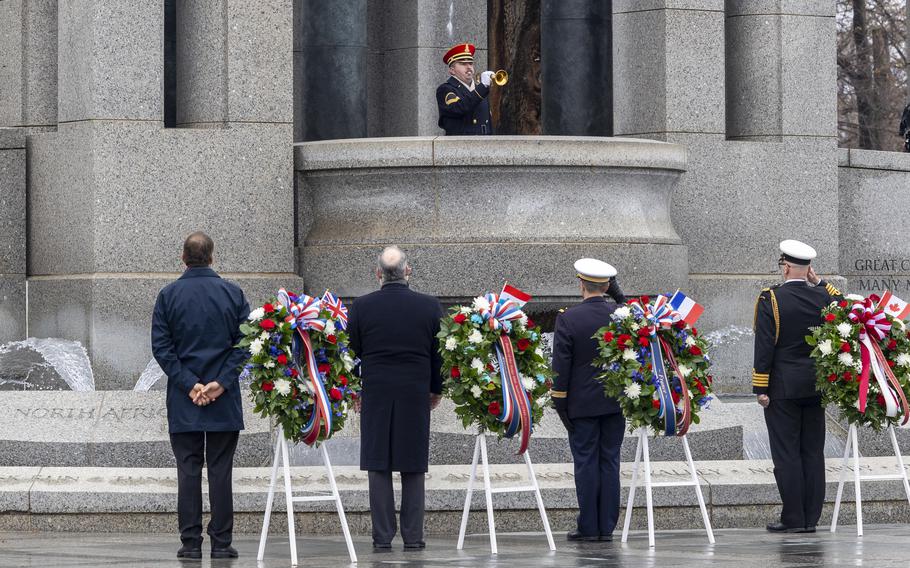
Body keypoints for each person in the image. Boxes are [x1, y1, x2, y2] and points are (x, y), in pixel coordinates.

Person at [151, 231, 249, 560]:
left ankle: (190, 542)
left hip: (184, 398)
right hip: (223, 397)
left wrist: (189, 383)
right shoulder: (233, 293)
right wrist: (220, 383)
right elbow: (245, 344)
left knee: (188, 470)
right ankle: (222, 542)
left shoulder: (168, 296)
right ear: (212, 257)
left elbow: (162, 348)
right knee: (221, 470)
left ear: (183, 257)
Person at [347, 246, 444, 552]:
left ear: (378, 274)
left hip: (376, 391)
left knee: (379, 464)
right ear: (408, 271)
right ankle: (413, 537)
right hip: (415, 392)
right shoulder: (429, 307)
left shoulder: (361, 307)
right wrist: (436, 389)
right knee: (413, 465)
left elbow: (354, 351)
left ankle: (382, 536)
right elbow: (437, 354)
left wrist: (355, 389)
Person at [753, 239, 842, 533]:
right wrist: (822, 284)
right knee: (813, 453)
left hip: (782, 388)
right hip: (816, 386)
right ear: (808, 269)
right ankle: (811, 520)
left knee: (786, 453)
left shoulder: (771, 299)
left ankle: (793, 518)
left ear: (786, 266)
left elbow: (764, 346)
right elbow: (847, 311)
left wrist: (760, 388)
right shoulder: (823, 298)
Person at [550, 258, 626, 542]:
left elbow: (561, 367)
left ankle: (588, 526)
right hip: (615, 402)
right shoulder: (621, 314)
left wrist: (560, 403)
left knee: (585, 463)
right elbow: (639, 318)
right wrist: (617, 294)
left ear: (581, 283)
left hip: (581, 405)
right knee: (610, 461)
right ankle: (606, 526)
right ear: (607, 285)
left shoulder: (568, 318)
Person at [436, 42, 494, 135]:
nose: (469, 67)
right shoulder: (445, 89)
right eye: (463, 64)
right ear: (452, 70)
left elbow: (488, 124)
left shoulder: (480, 90)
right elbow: (460, 108)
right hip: (460, 146)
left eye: (471, 63)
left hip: (484, 145)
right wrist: (482, 87)